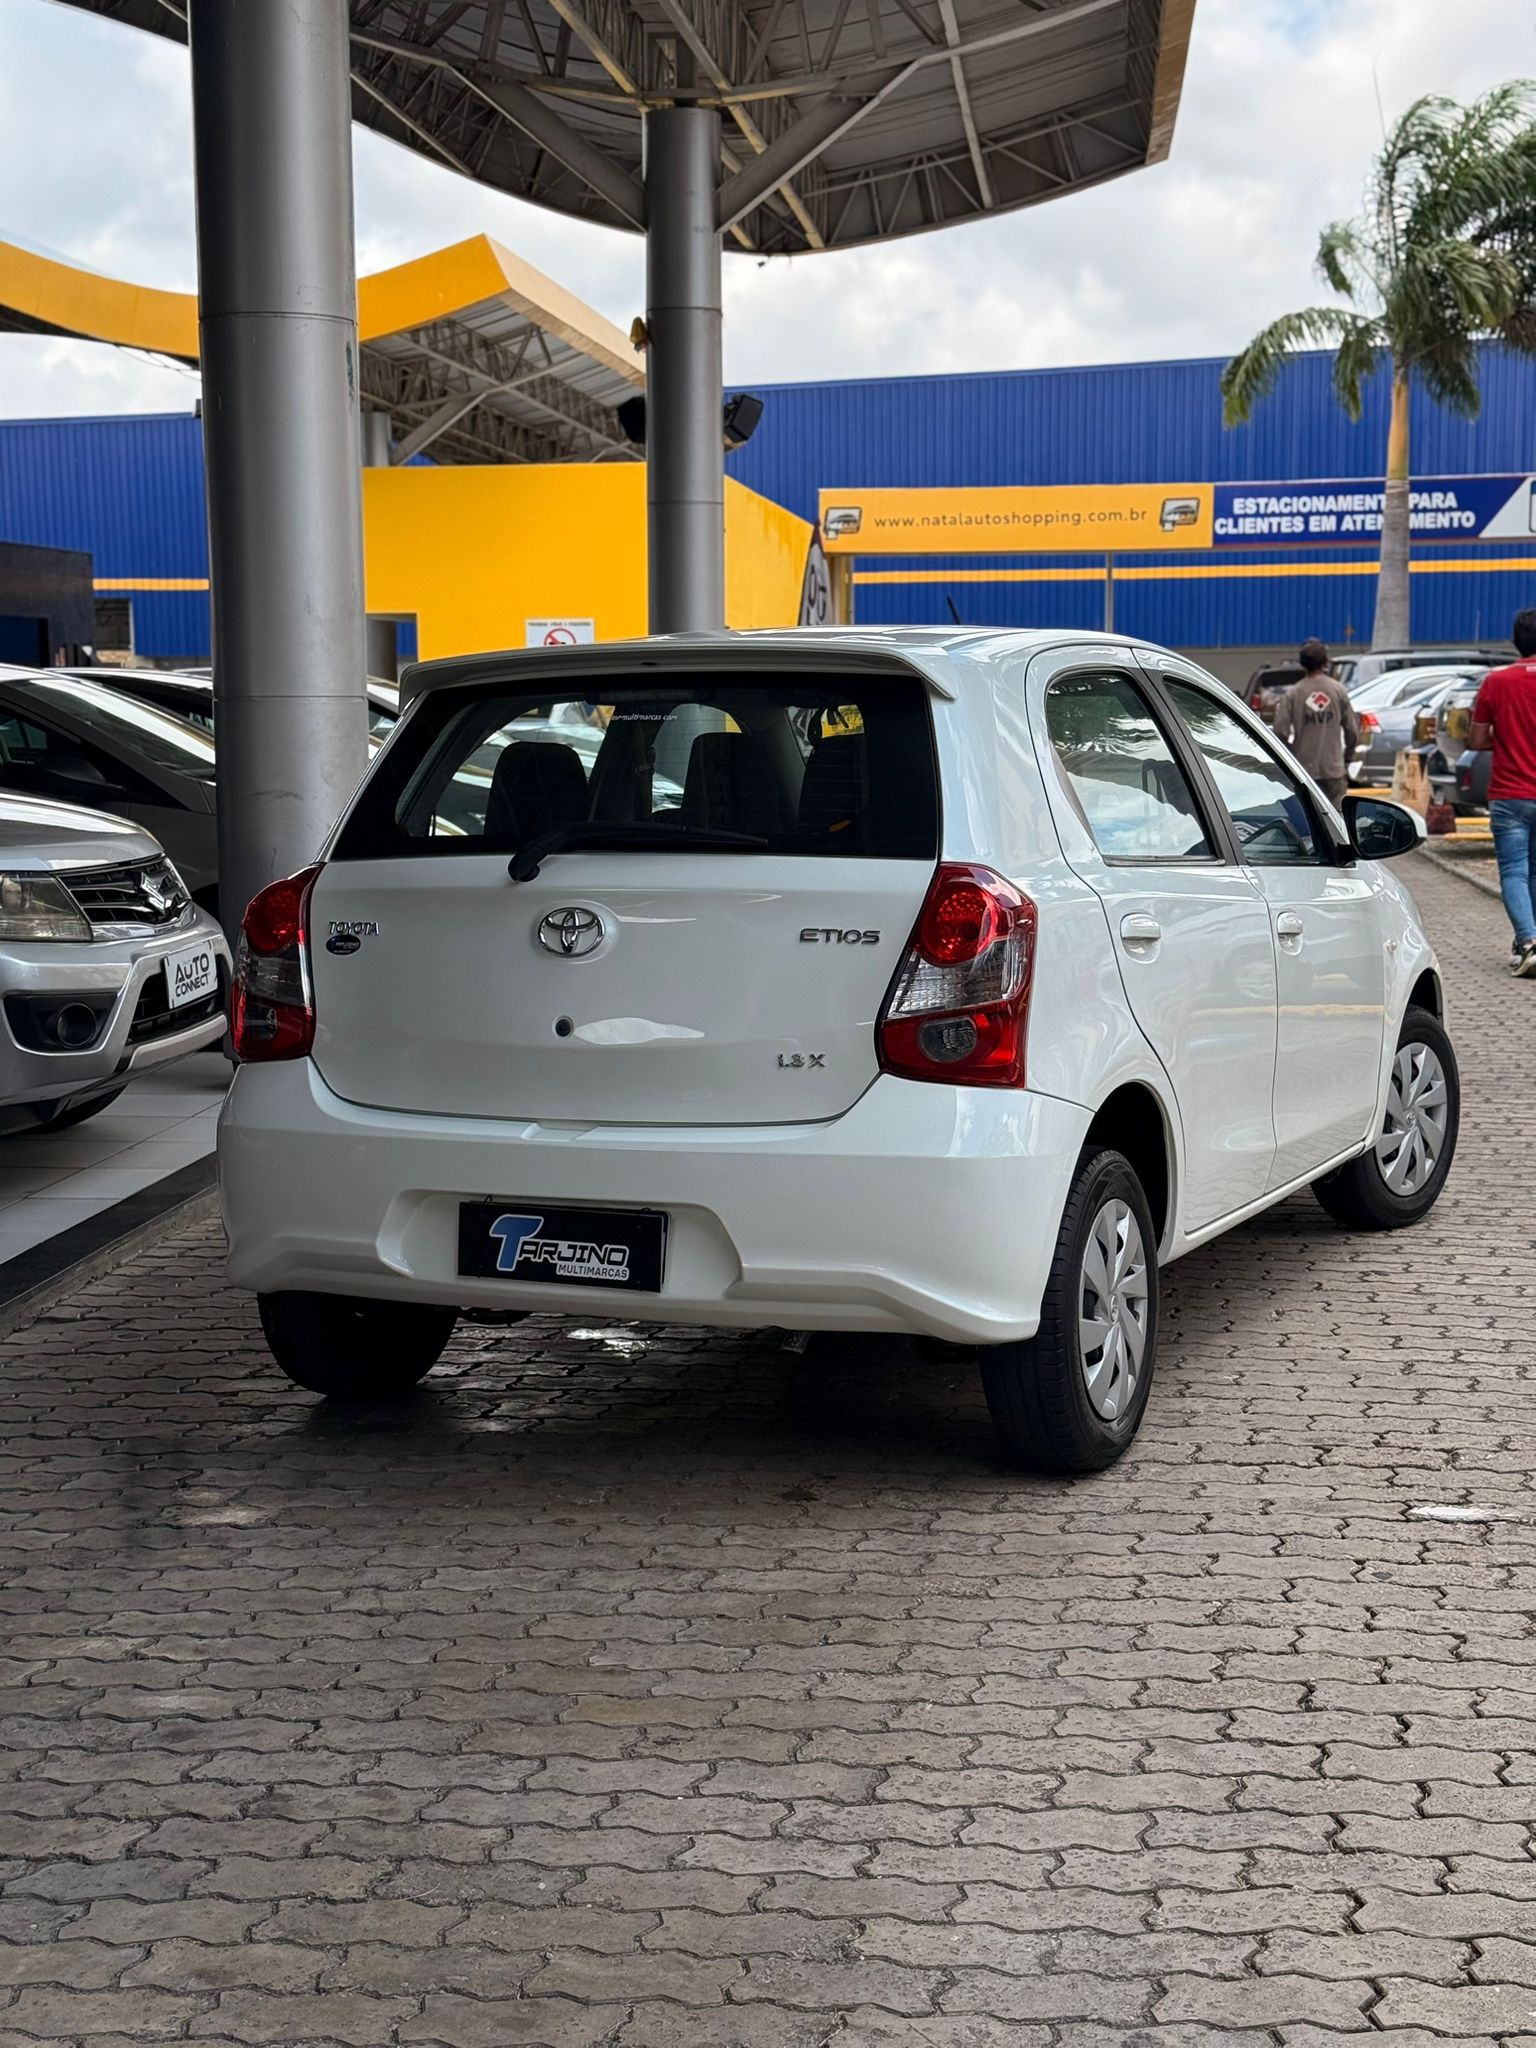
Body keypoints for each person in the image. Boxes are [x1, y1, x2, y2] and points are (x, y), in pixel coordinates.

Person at [1469, 608, 1536, 976]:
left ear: (1515, 642)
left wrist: (1508, 737)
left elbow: (1477, 739)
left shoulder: (1496, 682)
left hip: (1510, 793)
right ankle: (1529, 941)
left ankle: (1528, 941)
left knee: (1514, 871)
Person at [1273, 639, 1360, 808]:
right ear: (1325, 662)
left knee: (1309, 817)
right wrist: (1347, 757)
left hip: (1304, 771)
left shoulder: (1294, 693)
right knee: (1336, 816)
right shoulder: (1338, 690)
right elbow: (1352, 730)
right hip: (1333, 770)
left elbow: (1280, 732)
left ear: (1302, 664)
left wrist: (1293, 755)